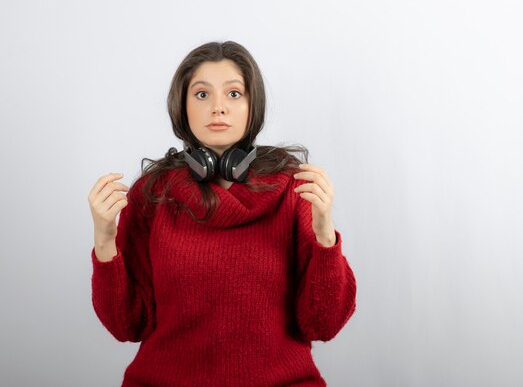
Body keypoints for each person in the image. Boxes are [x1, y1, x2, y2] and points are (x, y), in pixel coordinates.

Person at [87, 41, 357, 386]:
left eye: (233, 94)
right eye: (202, 95)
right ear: (182, 107)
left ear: (252, 105)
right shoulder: (152, 194)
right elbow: (128, 325)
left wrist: (324, 234)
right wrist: (105, 239)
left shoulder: (295, 188)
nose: (218, 108)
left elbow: (323, 324)